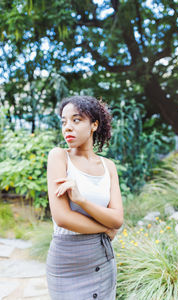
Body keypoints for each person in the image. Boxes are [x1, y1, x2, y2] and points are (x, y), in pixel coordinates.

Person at [46, 95, 123, 300]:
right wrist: (105, 228)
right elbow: (63, 218)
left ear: (94, 125)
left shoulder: (109, 167)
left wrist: (81, 200)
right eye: (64, 121)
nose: (67, 127)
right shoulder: (59, 157)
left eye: (76, 120)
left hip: (102, 259)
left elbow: (117, 219)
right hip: (67, 262)